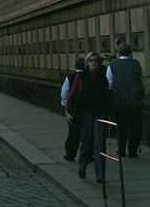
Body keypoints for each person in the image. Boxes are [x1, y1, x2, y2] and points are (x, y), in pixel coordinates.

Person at [65, 51, 110, 182]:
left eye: (96, 61)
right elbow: (72, 93)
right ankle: (82, 167)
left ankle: (100, 174)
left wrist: (111, 115)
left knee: (100, 145)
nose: (94, 63)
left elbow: (108, 97)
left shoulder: (103, 78)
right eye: (91, 61)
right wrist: (67, 110)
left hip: (100, 113)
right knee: (85, 143)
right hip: (85, 114)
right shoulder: (81, 77)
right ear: (87, 63)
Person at [106, 43, 144, 159]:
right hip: (135, 101)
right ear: (130, 53)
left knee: (120, 126)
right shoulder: (136, 64)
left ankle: (121, 150)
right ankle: (133, 150)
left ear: (119, 52)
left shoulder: (112, 64)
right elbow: (142, 82)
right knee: (135, 126)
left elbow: (109, 82)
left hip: (119, 100)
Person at [61, 59, 85, 161]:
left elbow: (64, 93)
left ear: (75, 66)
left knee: (73, 132)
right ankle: (88, 154)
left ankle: (70, 153)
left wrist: (65, 105)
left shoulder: (70, 77)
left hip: (73, 109)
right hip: (86, 108)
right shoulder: (88, 76)